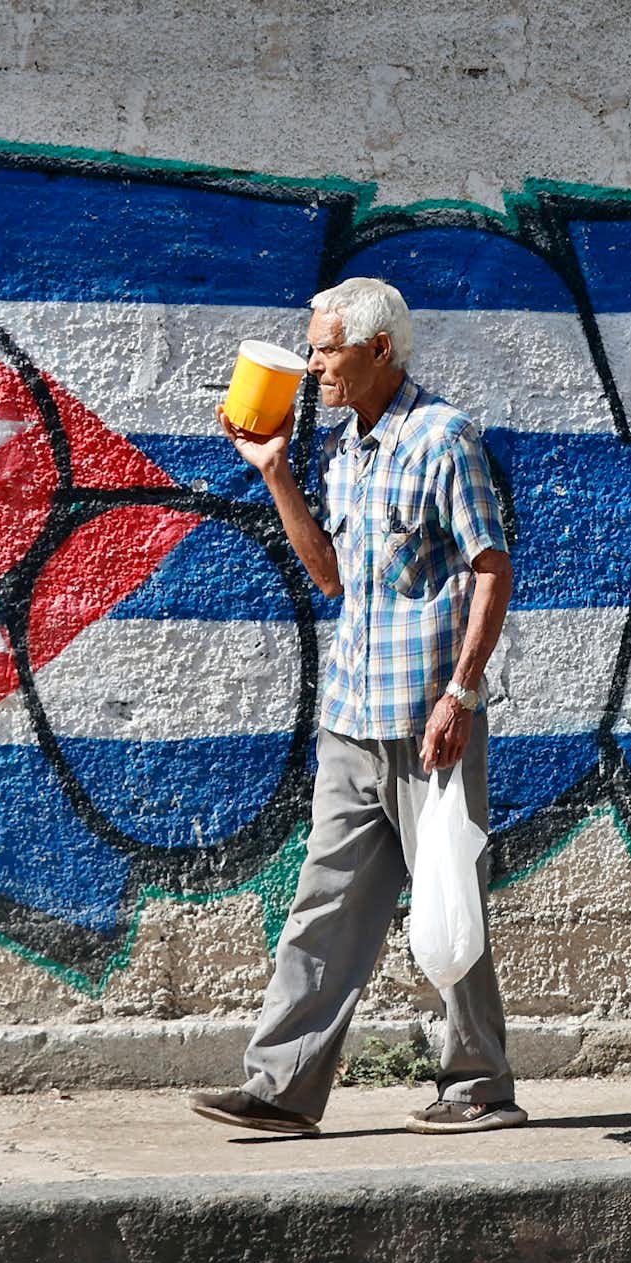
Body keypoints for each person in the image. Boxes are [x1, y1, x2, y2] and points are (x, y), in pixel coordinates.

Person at [189, 277, 524, 1137]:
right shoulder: (345, 451)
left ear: (378, 350)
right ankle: (282, 1089)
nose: (313, 364)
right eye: (311, 347)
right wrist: (273, 474)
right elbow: (333, 578)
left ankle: (480, 1088)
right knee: (322, 906)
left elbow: (492, 567)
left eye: (325, 348)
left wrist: (461, 692)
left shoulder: (443, 439)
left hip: (429, 720)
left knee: (451, 901)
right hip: (351, 714)